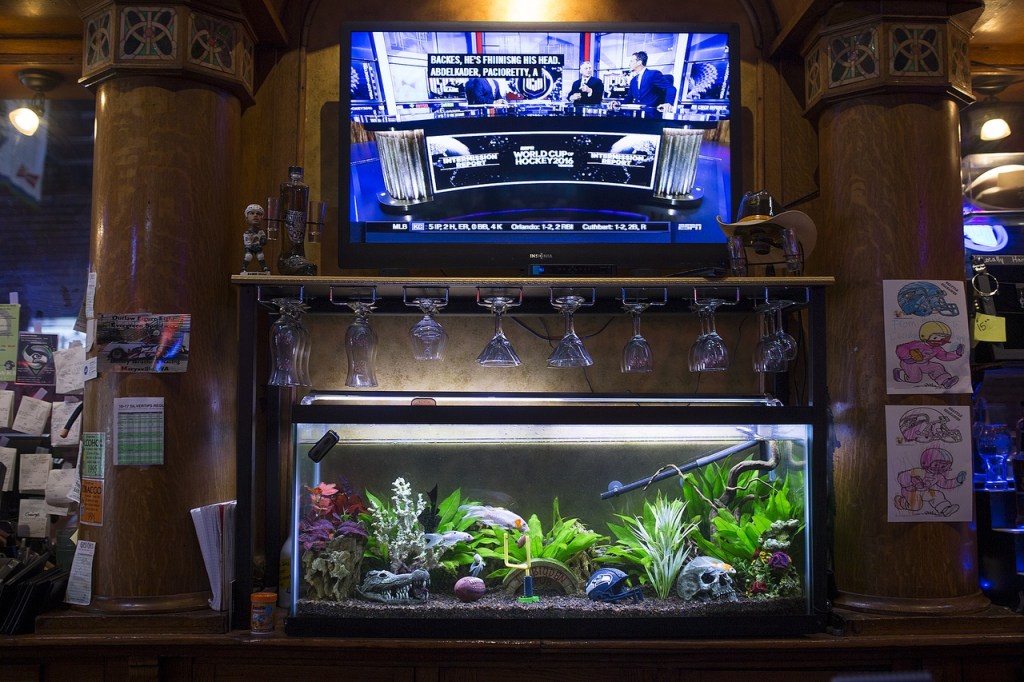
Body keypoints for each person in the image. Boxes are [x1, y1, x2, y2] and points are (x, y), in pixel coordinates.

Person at [241, 203, 271, 274]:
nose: (255, 215)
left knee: (261, 256)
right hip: (251, 248)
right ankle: (244, 267)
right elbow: (247, 243)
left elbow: (263, 239)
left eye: (258, 213)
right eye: (252, 213)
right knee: (248, 256)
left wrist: (263, 240)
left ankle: (264, 267)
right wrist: (252, 246)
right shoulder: (247, 233)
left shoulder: (261, 232)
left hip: (258, 247)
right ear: (246, 217)